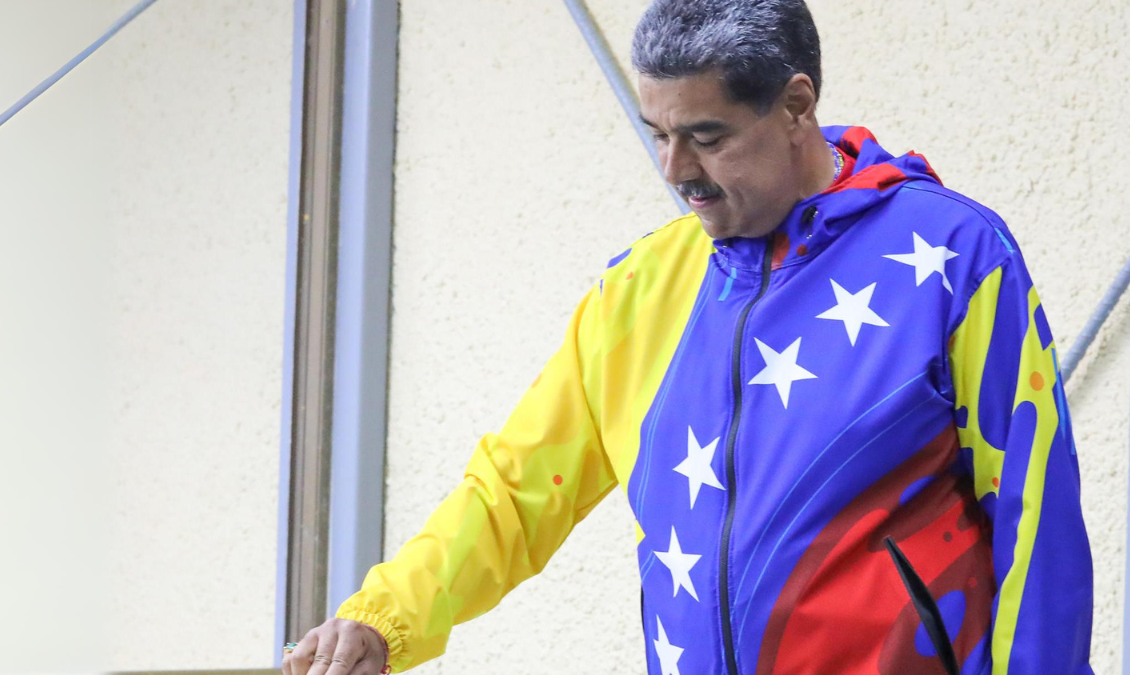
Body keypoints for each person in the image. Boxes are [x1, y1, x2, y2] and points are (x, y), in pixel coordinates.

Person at [282, 1, 1096, 673]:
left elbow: (1036, 516)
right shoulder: (638, 291)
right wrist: (384, 618)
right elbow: (512, 491)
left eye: (705, 136)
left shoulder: (954, 256)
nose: (674, 170)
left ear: (796, 106)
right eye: (657, 133)